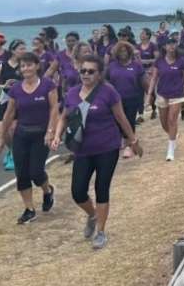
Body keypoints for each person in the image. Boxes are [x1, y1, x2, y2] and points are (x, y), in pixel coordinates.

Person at [51, 55, 142, 249]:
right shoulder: (73, 93)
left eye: (91, 71)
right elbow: (64, 117)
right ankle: (92, 215)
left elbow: (121, 118)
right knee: (78, 192)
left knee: (102, 188)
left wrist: (132, 140)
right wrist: (57, 135)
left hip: (107, 147)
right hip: (83, 150)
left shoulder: (108, 93)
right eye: (83, 71)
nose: (86, 74)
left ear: (99, 74)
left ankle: (100, 231)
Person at [0, 53, 58, 223]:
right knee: (22, 174)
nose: (26, 69)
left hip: (41, 135)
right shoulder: (16, 89)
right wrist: (2, 137)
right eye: (22, 66)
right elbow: (9, 113)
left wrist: (51, 131)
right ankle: (29, 209)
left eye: (29, 65)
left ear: (37, 66)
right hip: (21, 135)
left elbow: (54, 109)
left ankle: (47, 191)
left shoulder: (47, 85)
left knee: (36, 172)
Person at [145, 37, 184, 161]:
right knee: (164, 123)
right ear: (164, 47)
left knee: (172, 120)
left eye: (173, 44)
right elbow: (154, 79)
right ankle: (173, 135)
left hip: (177, 95)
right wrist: (149, 95)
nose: (171, 46)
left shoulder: (181, 61)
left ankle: (170, 149)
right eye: (169, 44)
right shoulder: (159, 61)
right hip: (162, 94)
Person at [0, 39, 27, 171]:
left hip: (20, 102)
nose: (24, 50)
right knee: (2, 131)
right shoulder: (3, 66)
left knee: (13, 130)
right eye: (21, 48)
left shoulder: (25, 65)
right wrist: (3, 85)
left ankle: (15, 155)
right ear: (13, 50)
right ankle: (11, 150)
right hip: (5, 100)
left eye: (24, 48)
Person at [107, 41, 146, 159]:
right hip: (115, 99)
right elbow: (106, 81)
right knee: (116, 121)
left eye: (125, 51)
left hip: (132, 97)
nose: (123, 53)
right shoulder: (112, 66)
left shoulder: (136, 65)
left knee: (129, 121)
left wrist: (150, 94)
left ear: (129, 51)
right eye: (120, 51)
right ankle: (120, 142)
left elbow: (143, 81)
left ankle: (129, 146)